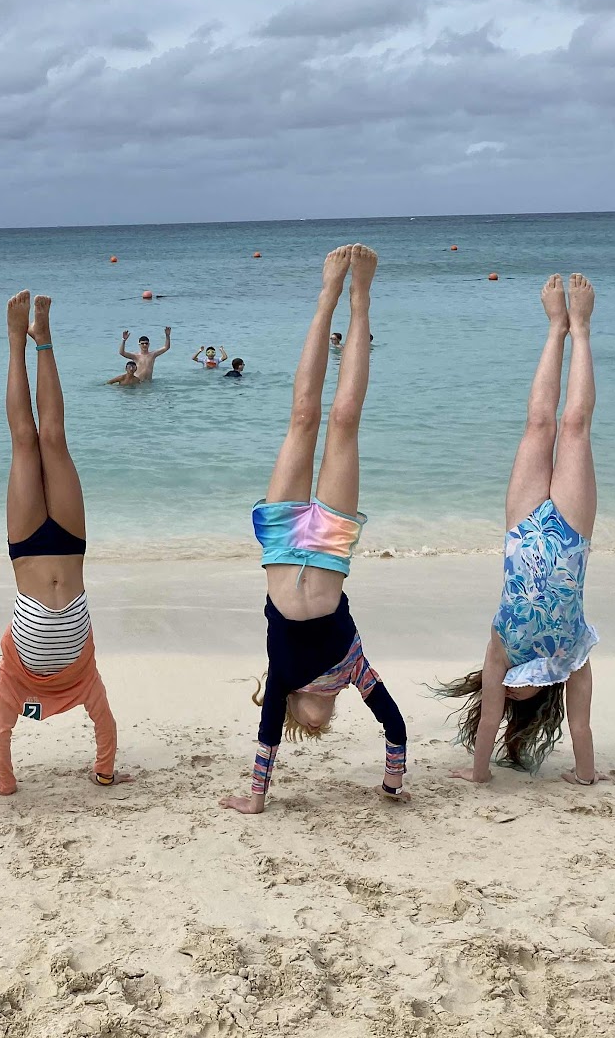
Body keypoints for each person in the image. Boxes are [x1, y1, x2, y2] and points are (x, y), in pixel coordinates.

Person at [220, 245, 408, 814]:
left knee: (303, 418)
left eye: (312, 725)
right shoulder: (351, 666)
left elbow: (266, 744)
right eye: (327, 722)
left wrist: (256, 799)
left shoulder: (281, 679)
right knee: (344, 422)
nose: (322, 721)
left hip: (281, 540)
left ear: (296, 712)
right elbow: (394, 723)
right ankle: (360, 297)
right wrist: (392, 783)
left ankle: (327, 295)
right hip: (328, 546)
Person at [440, 275, 600, 786]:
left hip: (523, 527)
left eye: (501, 692)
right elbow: (582, 728)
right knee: (574, 426)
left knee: (538, 425)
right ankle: (581, 329)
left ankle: (555, 327)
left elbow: (488, 722)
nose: (505, 690)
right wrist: (585, 776)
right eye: (512, 696)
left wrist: (478, 774)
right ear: (536, 702)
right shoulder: (573, 657)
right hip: (572, 532)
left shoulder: (500, 653)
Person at [0, 292, 133, 797]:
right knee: (54, 438)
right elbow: (106, 724)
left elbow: (0, 732)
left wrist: (5, 785)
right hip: (69, 544)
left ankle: (16, 341)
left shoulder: (13, 678)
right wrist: (105, 775)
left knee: (26, 440)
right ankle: (41, 336)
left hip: (26, 547)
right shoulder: (84, 678)